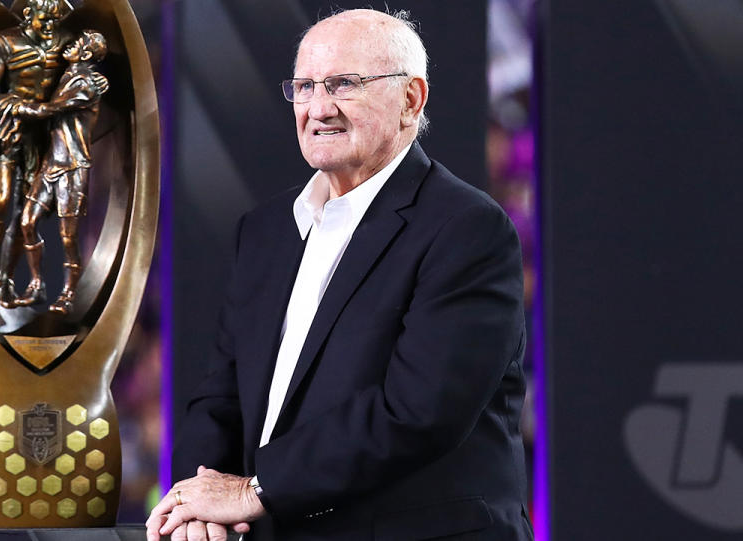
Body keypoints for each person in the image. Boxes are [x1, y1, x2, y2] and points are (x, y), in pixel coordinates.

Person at [148, 8, 532, 541]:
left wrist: (253, 492)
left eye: (343, 84)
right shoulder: (265, 231)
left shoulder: (466, 229)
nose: (318, 108)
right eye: (304, 87)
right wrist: (198, 500)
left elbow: (417, 413)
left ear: (411, 100)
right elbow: (222, 396)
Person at [0, 0, 71, 304]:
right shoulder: (3, 43)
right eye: (44, 20)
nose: (48, 28)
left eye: (54, 21)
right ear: (28, 14)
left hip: (40, 135)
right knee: (1, 197)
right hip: (6, 129)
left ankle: (7, 276)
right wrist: (18, 105)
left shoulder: (65, 43)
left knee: (26, 213)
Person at [13, 31, 110, 314]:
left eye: (79, 45)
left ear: (88, 55)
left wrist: (21, 107)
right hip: (50, 164)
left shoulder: (89, 83)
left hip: (72, 167)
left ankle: (70, 293)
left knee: (68, 237)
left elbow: (54, 108)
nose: (72, 46)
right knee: (28, 222)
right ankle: (37, 284)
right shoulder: (67, 75)